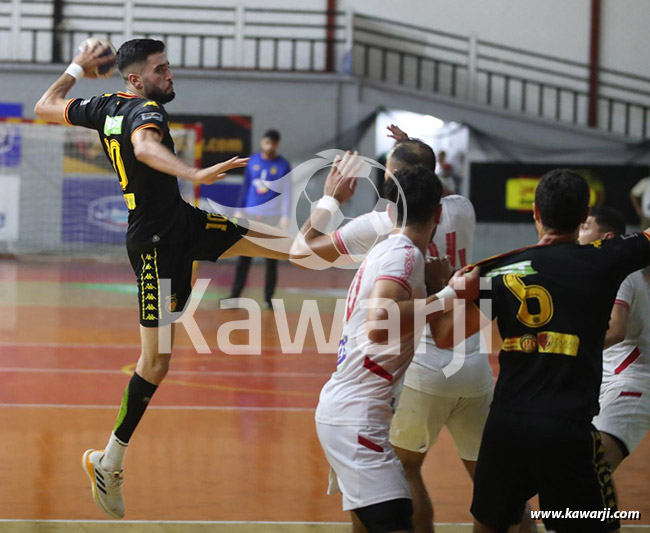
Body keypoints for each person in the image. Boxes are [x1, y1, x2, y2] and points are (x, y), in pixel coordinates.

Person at [34, 38, 292, 519]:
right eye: (161, 69)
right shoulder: (143, 113)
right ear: (137, 79)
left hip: (183, 225)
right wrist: (194, 171)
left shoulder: (102, 106)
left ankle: (381, 234)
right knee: (155, 363)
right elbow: (146, 148)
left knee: (282, 244)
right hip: (154, 244)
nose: (170, 75)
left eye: (168, 67)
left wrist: (75, 67)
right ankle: (108, 463)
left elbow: (44, 105)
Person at [292, 135, 524, 533]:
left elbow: (302, 252)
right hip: (471, 365)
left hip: (420, 371)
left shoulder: (383, 230)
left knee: (404, 480)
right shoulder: (461, 209)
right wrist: (451, 292)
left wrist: (331, 200)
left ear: (391, 187)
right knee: (497, 488)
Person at [432, 169, 650, 533]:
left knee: (490, 524)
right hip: (567, 430)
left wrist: (453, 292)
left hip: (506, 425)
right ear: (584, 216)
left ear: (534, 212)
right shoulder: (605, 259)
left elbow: (444, 337)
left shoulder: (499, 271)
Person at [315, 164, 452, 533]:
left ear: (390, 209)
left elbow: (442, 336)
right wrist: (450, 297)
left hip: (351, 411)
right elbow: (380, 323)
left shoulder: (393, 251)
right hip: (356, 416)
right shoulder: (403, 255)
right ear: (438, 213)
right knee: (395, 521)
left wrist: (442, 294)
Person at [578, 207, 650, 472]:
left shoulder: (617, 269)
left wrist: (569, 350)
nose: (578, 232)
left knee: (592, 469)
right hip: (607, 380)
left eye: (585, 227)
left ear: (606, 238)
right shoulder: (598, 271)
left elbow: (616, 329)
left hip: (632, 383)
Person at [228, 129, 291, 309]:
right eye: (266, 143)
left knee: (272, 260)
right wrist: (240, 209)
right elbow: (245, 187)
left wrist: (285, 215)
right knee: (244, 257)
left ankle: (268, 299)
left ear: (277, 145)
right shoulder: (253, 162)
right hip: (250, 215)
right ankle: (234, 296)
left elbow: (286, 192)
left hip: (271, 217)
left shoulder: (282, 165)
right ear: (262, 143)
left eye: (273, 144)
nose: (269, 147)